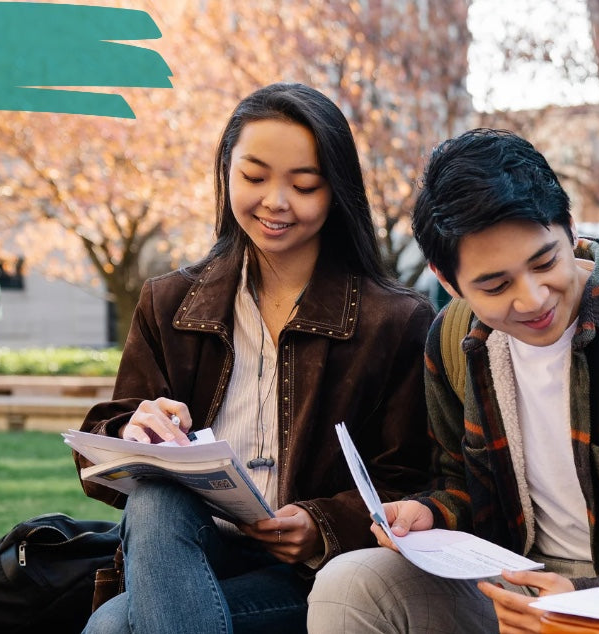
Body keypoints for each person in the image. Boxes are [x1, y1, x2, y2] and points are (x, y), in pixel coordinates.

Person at [306, 128, 599, 633]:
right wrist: (430, 513)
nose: (532, 300)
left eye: (544, 261)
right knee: (348, 585)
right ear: (446, 280)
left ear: (569, 228)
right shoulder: (457, 342)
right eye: (495, 284)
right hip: (513, 587)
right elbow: (459, 482)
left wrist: (586, 600)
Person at [74, 82, 434, 633]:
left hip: (313, 575)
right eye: (254, 176)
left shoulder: (394, 321)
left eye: (305, 184)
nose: (275, 201)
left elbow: (412, 479)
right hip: (186, 550)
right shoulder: (170, 303)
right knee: (154, 502)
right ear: (226, 172)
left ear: (336, 190)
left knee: (113, 627)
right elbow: (99, 462)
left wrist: (321, 525)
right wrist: (132, 430)